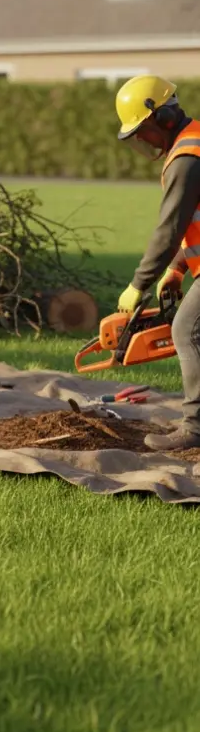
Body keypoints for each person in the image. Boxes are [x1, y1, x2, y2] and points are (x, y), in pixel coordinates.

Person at [114, 74, 200, 450]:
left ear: (162, 118)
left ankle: (196, 429)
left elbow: (169, 230)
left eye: (143, 132)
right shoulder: (194, 139)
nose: (143, 142)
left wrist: (138, 285)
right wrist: (179, 268)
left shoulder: (186, 158)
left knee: (187, 331)